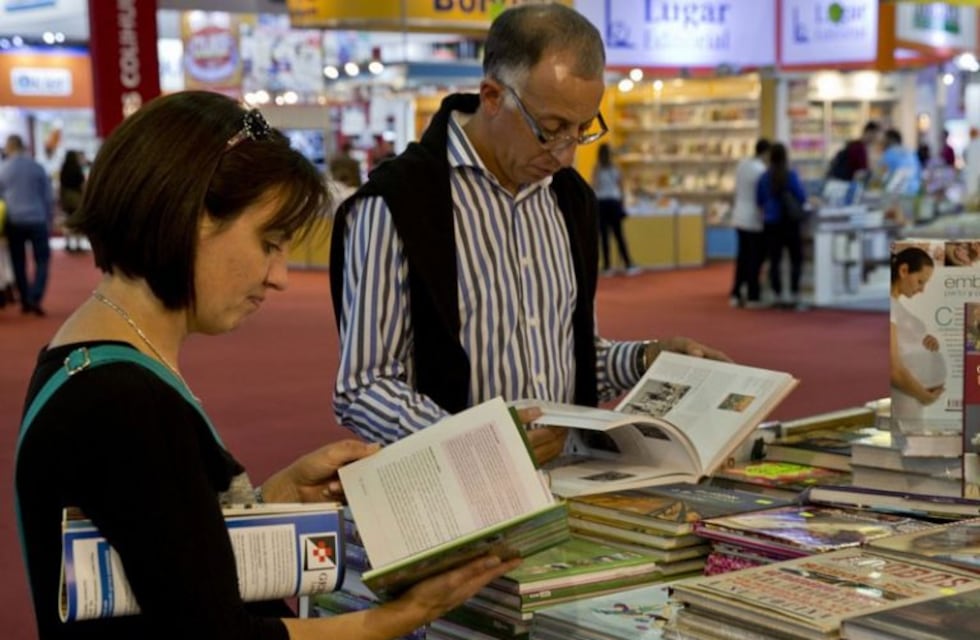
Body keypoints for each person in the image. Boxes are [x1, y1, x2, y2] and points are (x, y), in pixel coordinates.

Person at [15, 91, 520, 640]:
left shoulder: (91, 358)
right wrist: (398, 617)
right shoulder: (124, 400)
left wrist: (273, 498)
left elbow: (159, 554)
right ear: (193, 215)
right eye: (269, 243)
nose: (278, 276)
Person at [329, 4, 729, 461]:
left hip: (569, 480)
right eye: (550, 129)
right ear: (492, 96)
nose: (565, 154)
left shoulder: (569, 199)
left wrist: (646, 359)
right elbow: (363, 387)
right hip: (453, 487)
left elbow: (569, 360)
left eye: (582, 130)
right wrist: (478, 442)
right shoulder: (399, 202)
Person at [0, 133, 54, 315]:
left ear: (9, 147)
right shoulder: (37, 167)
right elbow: (48, 196)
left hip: (14, 221)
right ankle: (35, 296)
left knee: (18, 261)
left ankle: (25, 298)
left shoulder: (3, 169)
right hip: (37, 218)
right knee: (42, 260)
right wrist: (49, 219)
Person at [890, 246, 944, 420]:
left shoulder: (897, 308)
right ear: (904, 271)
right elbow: (893, 369)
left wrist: (924, 342)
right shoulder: (890, 308)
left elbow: (904, 346)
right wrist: (924, 396)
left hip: (911, 399)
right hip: (907, 398)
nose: (922, 289)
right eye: (920, 281)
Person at [756, 142, 807, 310]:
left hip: (771, 222)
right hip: (790, 222)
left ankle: (776, 294)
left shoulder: (764, 177)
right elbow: (801, 196)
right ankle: (794, 293)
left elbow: (759, 200)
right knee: (796, 259)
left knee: (774, 260)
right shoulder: (791, 175)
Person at [729, 138, 770, 308]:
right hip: (753, 219)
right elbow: (762, 196)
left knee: (742, 257)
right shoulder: (761, 170)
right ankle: (753, 294)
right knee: (755, 258)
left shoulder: (742, 165)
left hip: (739, 216)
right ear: (766, 153)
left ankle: (736, 293)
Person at [591, 143, 635, 275]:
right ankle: (628, 264)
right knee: (619, 235)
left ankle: (607, 266)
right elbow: (621, 186)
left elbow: (594, 185)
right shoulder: (615, 168)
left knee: (604, 236)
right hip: (614, 202)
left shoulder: (597, 169)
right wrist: (622, 202)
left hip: (601, 202)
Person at [877, 128, 922, 196]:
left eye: (884, 140)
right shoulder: (911, 152)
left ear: (890, 140)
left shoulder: (889, 153)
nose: (882, 143)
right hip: (914, 192)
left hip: (896, 194)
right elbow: (919, 174)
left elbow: (879, 176)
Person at [58, 149, 86, 252]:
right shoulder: (77, 169)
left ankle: (68, 243)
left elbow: (61, 185)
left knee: (68, 220)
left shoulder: (63, 170)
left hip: (66, 197)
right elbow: (82, 184)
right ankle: (78, 244)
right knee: (77, 221)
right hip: (76, 198)